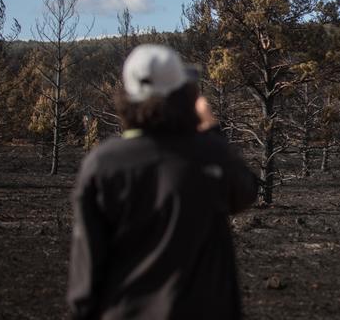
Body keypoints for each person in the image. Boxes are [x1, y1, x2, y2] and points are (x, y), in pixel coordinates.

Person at [67, 44, 258, 319]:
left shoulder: (103, 164)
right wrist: (212, 130)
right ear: (185, 95)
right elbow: (245, 191)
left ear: (127, 97)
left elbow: (86, 269)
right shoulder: (209, 155)